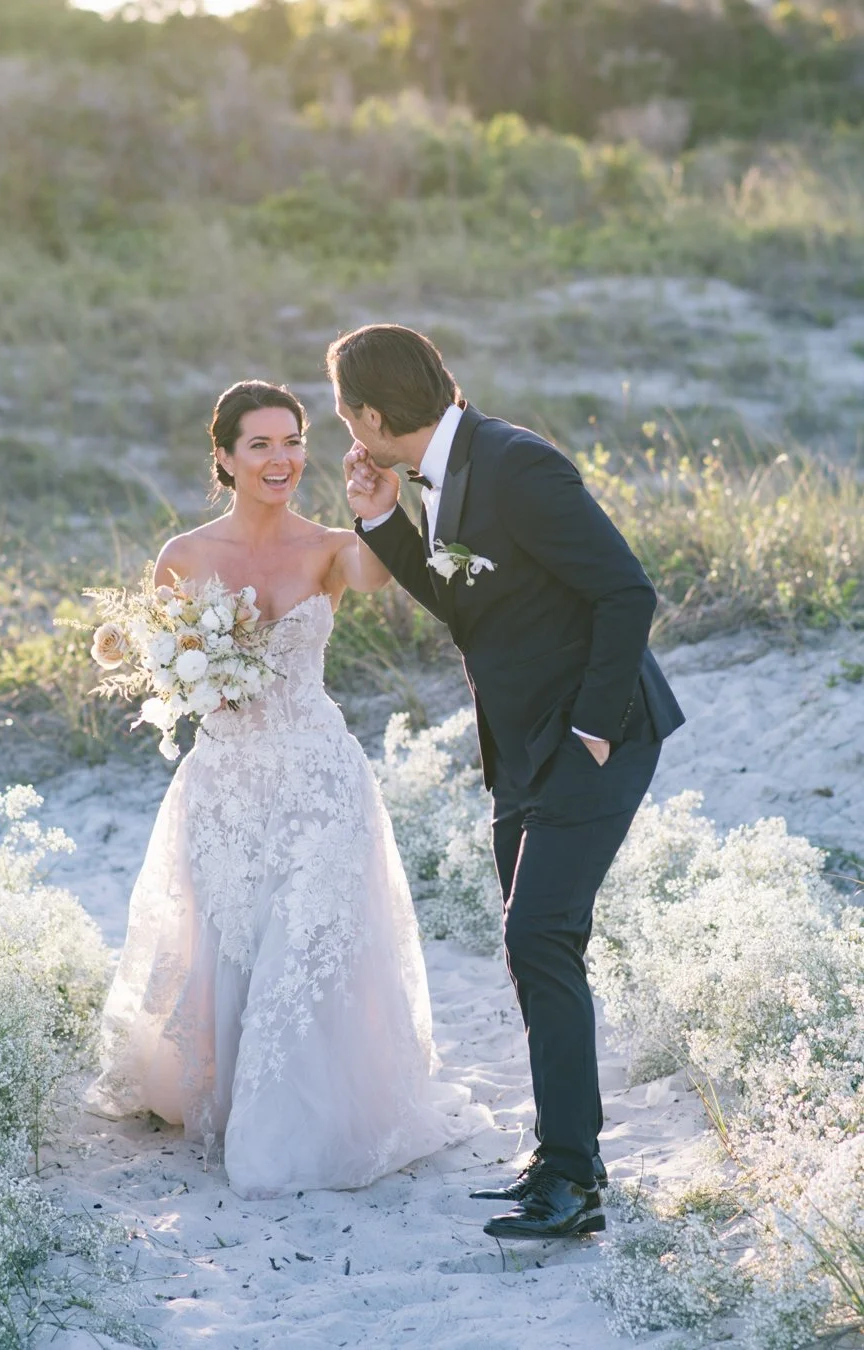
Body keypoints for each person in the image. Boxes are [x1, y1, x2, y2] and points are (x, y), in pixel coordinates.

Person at [332, 325, 685, 1239]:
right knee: (535, 950)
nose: (342, 423)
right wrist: (380, 521)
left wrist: (595, 731)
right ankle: (562, 1158)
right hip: (520, 747)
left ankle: (571, 1182)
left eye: (341, 407)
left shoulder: (517, 464)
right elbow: (466, 602)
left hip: (593, 737)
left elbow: (626, 592)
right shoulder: (445, 471)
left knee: (539, 936)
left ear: (370, 415)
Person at [87, 379, 481, 1198]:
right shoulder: (185, 556)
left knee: (306, 945)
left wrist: (376, 501)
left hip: (319, 780)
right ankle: (226, 1097)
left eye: (293, 440)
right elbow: (146, 652)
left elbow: (387, 574)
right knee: (232, 946)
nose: (282, 458)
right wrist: (126, 648)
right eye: (260, 444)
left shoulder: (336, 546)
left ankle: (294, 1132)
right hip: (224, 784)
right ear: (225, 458)